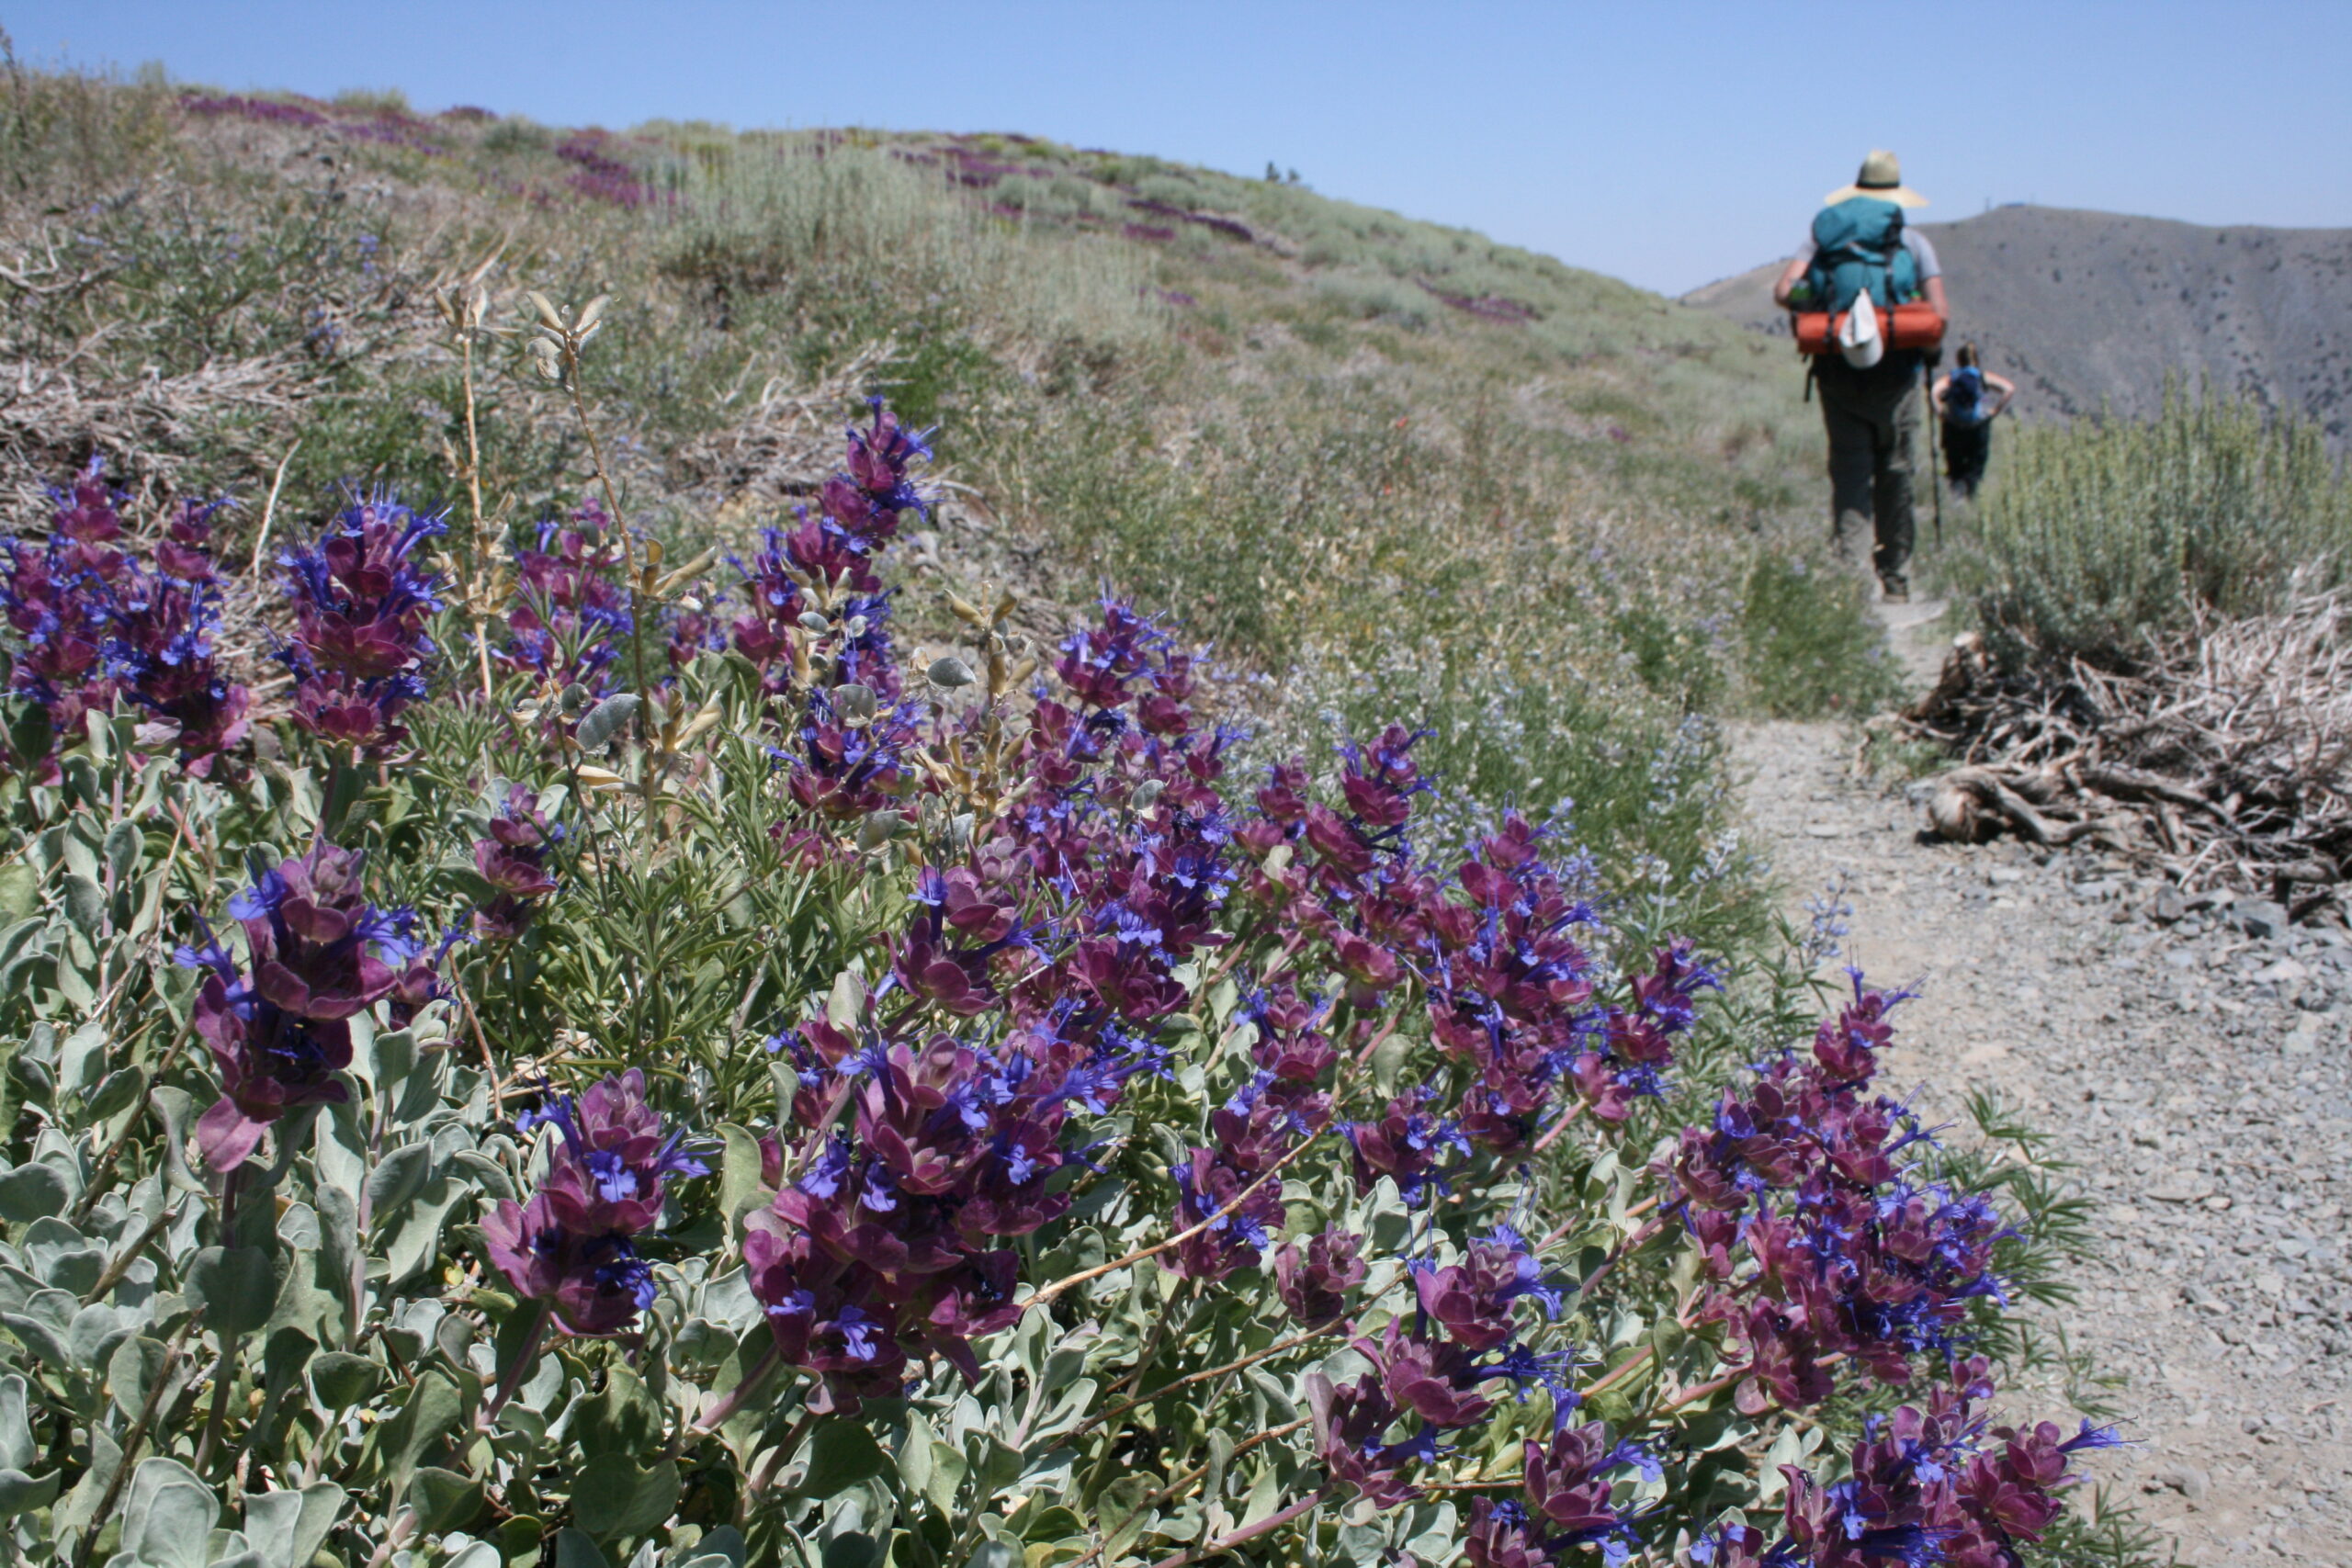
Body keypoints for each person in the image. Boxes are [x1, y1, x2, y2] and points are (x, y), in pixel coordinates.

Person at [1771, 150, 1949, 604]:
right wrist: (1924, 345)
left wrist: (1824, 309)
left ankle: (1850, 582)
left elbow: (1784, 292)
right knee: (1897, 473)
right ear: (1895, 193)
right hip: (1899, 376)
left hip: (1837, 372)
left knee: (1850, 474)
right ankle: (1896, 577)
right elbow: (1940, 315)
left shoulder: (1824, 239)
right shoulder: (1912, 242)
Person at [1931, 344, 2014, 500]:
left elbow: (1935, 391)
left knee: (1955, 471)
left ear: (1959, 360)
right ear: (1976, 359)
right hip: (1978, 427)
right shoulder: (1983, 377)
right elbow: (2009, 389)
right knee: (1975, 472)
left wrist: (1941, 413)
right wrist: (1995, 411)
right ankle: (1972, 502)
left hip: (1953, 427)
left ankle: (1956, 501)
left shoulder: (1952, 378)